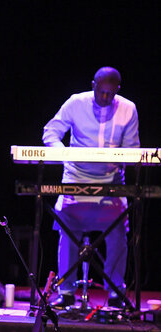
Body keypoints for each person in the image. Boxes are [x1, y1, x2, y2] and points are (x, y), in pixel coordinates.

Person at [42, 66, 140, 308]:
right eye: (101, 91)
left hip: (111, 185)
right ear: (93, 85)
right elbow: (51, 132)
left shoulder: (128, 109)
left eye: (110, 93)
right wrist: (63, 155)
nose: (105, 97)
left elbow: (132, 151)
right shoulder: (76, 103)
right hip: (75, 180)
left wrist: (117, 159)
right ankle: (65, 291)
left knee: (118, 234)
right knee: (67, 233)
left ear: (117, 90)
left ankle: (116, 291)